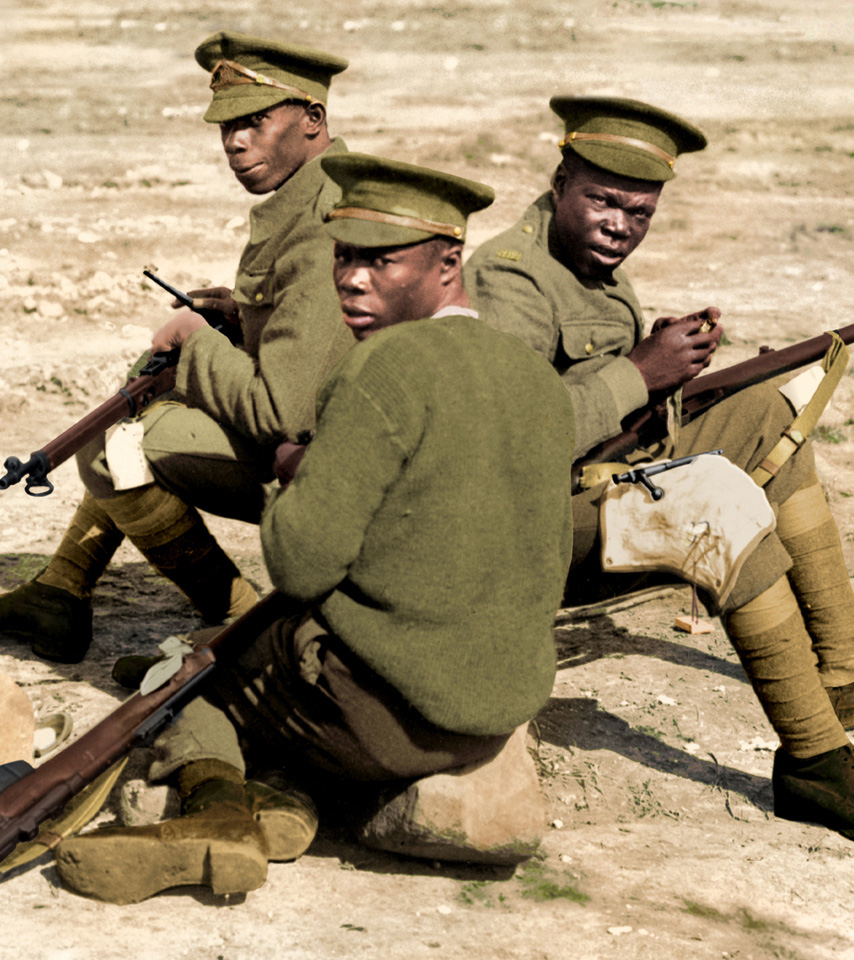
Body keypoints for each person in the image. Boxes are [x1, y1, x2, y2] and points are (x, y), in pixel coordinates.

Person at [54, 153, 574, 903]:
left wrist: (291, 475)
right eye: (344, 255)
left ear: (449, 262)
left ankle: (214, 815)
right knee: (263, 655)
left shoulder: (381, 367)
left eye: (381, 261)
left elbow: (299, 562)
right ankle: (284, 802)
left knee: (193, 673)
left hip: (384, 719)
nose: (352, 280)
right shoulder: (534, 379)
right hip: (496, 708)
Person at [467, 96, 854, 846]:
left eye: (640, 211)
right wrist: (639, 371)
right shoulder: (511, 278)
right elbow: (505, 442)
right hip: (524, 533)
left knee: (768, 412)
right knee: (712, 502)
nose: (618, 225)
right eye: (601, 199)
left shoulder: (590, 268)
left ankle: (853, 661)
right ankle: (814, 760)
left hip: (588, 485)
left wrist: (667, 370)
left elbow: (601, 410)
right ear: (561, 180)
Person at [0, 32, 358, 662]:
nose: (235, 141)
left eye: (255, 122)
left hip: (338, 474)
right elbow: (314, 329)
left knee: (113, 447)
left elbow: (287, 410)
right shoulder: (314, 192)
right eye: (226, 126)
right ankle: (62, 587)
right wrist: (237, 312)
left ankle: (238, 621)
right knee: (152, 377)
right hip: (322, 434)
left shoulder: (320, 221)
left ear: (313, 119)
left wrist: (198, 341)